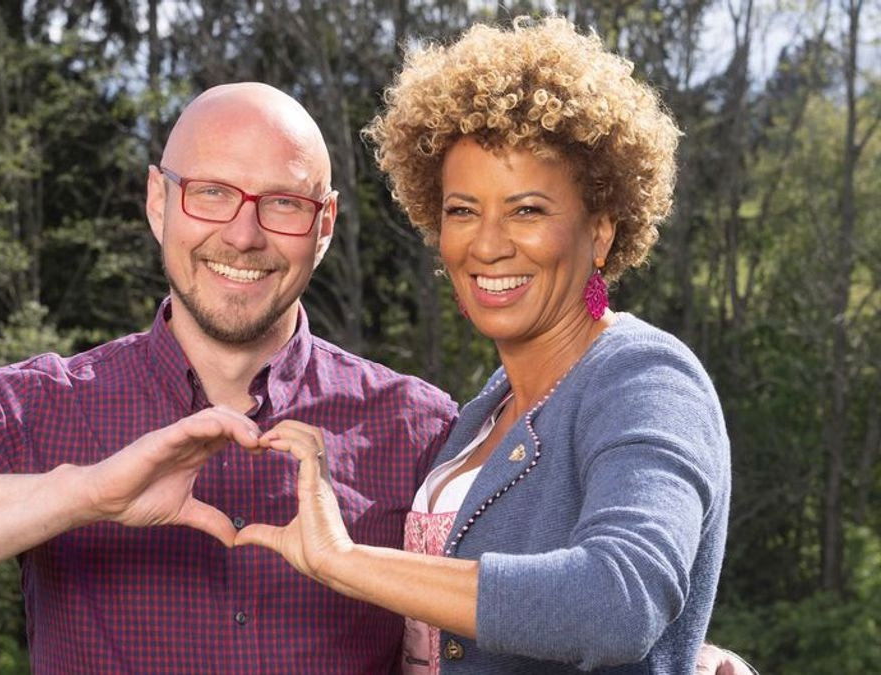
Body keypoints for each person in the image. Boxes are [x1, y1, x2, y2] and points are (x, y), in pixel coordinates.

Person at [0, 81, 750, 673]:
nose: (243, 232)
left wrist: (683, 653)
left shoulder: (422, 426)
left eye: (283, 204)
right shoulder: (46, 406)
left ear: (325, 224)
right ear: (158, 201)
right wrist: (83, 492)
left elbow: (574, 592)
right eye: (211, 192)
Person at [237, 18, 732, 674]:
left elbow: (620, 598)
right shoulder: (480, 413)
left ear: (601, 232)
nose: (488, 244)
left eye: (527, 210)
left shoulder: (645, 378)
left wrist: (346, 561)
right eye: (463, 210)